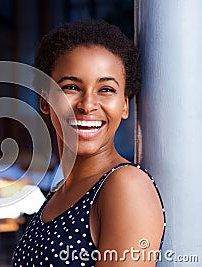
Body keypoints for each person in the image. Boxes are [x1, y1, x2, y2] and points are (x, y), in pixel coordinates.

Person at [12, 20, 165, 266]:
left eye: (106, 90)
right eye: (71, 87)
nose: (87, 105)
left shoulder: (125, 186)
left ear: (125, 105)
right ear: (44, 101)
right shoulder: (60, 190)